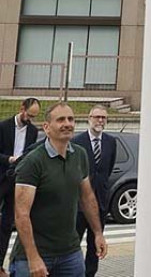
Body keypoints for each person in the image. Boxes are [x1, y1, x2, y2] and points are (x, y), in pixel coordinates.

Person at [9, 102, 108, 276]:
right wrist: (33, 257)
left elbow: (87, 198)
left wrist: (98, 233)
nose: (67, 124)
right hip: (34, 255)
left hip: (70, 254)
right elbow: (21, 213)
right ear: (46, 127)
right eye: (61, 120)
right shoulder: (33, 162)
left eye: (71, 119)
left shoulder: (80, 155)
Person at [73, 105, 117, 277]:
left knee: (95, 244)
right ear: (89, 118)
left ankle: (90, 274)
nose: (100, 120)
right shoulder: (77, 142)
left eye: (103, 118)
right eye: (97, 117)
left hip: (100, 203)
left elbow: (107, 169)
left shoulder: (110, 141)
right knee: (74, 242)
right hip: (79, 204)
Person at [0, 97, 40, 276]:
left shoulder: (33, 131)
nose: (30, 119)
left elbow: (30, 153)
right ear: (21, 108)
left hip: (17, 180)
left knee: (8, 224)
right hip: (1, 176)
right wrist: (8, 159)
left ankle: (0, 264)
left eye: (34, 116)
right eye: (29, 114)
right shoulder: (3, 127)